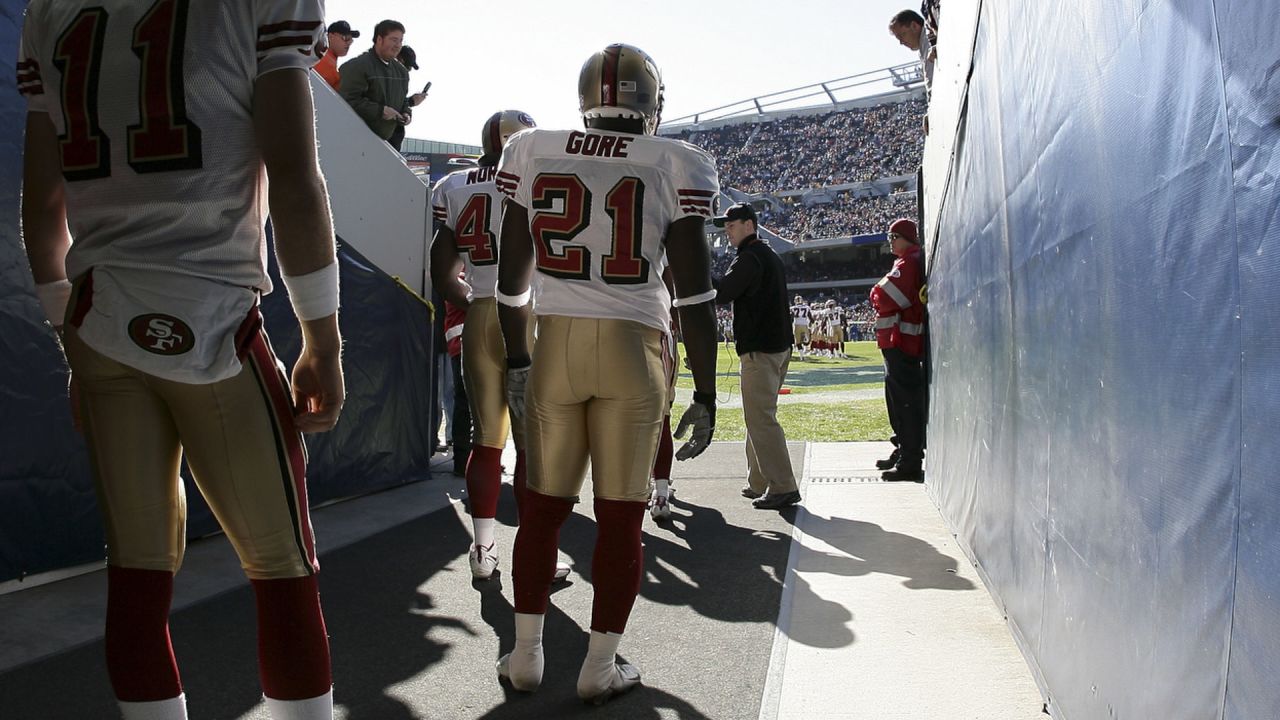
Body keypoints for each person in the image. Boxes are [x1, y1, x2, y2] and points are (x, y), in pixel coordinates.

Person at [19, 1, 343, 718]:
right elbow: (294, 179)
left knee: (135, 579)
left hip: (99, 315)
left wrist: (67, 334)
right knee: (283, 572)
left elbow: (43, 206)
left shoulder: (50, 10)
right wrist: (322, 339)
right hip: (213, 318)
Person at [493, 43, 721, 703]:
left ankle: (526, 655)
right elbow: (696, 298)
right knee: (620, 519)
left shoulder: (532, 149)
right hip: (633, 345)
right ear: (651, 105)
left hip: (554, 338)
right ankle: (599, 666)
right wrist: (705, 392)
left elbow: (512, 282)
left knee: (540, 514)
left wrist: (516, 357)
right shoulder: (674, 161)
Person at [430, 109, 571, 582]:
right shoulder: (539, 180)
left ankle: (483, 548)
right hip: (526, 314)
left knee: (486, 443)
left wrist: (470, 302)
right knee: (533, 447)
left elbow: (441, 270)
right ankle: (536, 557)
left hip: (480, 313)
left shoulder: (454, 185)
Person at [712, 203, 801, 510]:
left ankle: (782, 486)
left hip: (761, 350)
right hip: (777, 348)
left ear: (749, 225)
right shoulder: (769, 255)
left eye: (732, 225)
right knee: (758, 416)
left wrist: (699, 271)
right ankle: (759, 481)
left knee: (760, 419)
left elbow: (723, 292)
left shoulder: (750, 257)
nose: (728, 231)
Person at [871, 218, 927, 482]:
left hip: (902, 342)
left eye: (894, 236)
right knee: (896, 400)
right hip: (896, 341)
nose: (890, 241)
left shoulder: (909, 261)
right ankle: (903, 448)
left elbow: (882, 295)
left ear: (907, 237)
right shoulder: (906, 261)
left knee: (905, 401)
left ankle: (910, 460)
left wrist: (875, 293)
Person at [339, 19, 411, 145]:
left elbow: (402, 99)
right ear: (379, 39)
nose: (398, 45)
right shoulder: (357, 66)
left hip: (387, 143)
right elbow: (347, 101)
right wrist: (380, 111)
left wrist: (406, 113)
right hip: (356, 141)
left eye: (400, 40)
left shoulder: (402, 73)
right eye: (394, 40)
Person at [389, 46, 429, 152]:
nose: (408, 70)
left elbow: (399, 102)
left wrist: (406, 113)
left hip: (392, 137)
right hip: (388, 137)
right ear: (400, 59)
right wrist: (411, 101)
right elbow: (391, 103)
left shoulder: (399, 79)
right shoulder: (390, 77)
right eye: (408, 67)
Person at [314, 20, 359, 91]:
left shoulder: (322, 57)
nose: (348, 43)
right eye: (345, 38)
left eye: (350, 40)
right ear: (330, 37)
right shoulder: (324, 60)